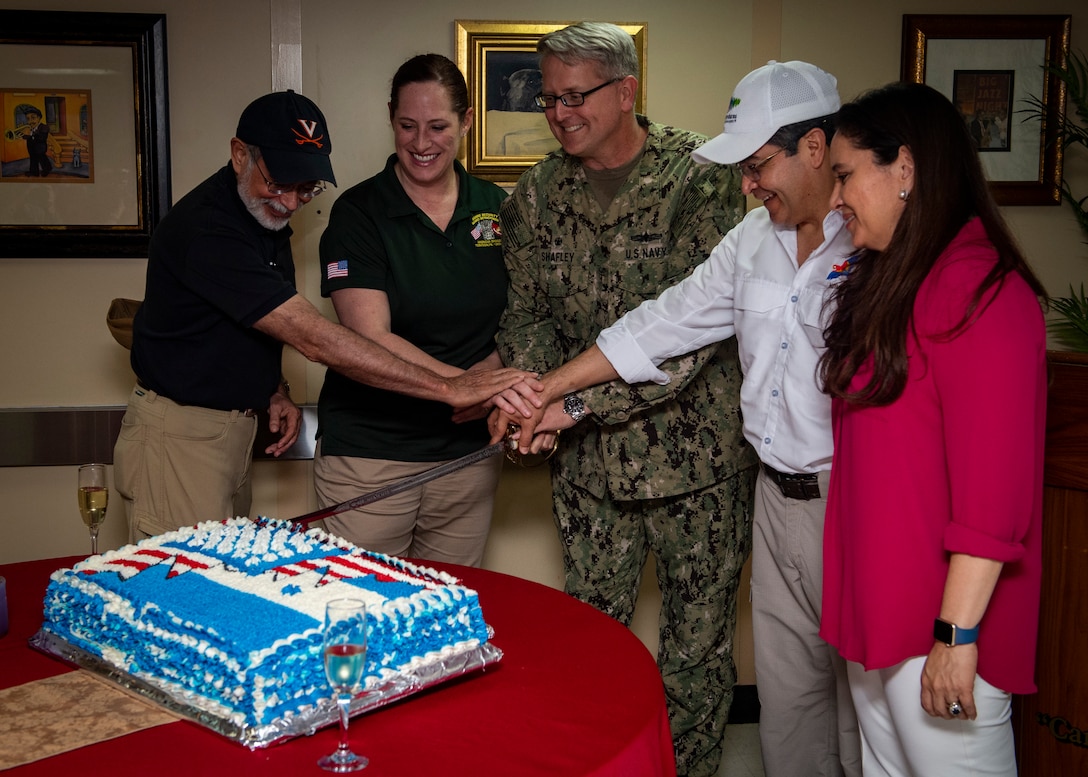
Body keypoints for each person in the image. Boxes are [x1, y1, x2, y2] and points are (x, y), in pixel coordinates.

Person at [493, 60, 862, 777]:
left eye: (758, 167)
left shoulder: (876, 244)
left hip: (842, 497)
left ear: (814, 148)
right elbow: (663, 324)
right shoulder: (755, 239)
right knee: (790, 707)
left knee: (865, 705)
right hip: (772, 497)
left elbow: (694, 358)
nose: (749, 185)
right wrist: (547, 393)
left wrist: (564, 404)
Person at [493, 21, 755, 777]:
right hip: (588, 476)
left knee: (695, 657)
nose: (560, 113)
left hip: (697, 468)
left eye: (576, 96)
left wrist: (570, 405)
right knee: (587, 648)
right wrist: (534, 395)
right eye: (548, 99)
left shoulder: (703, 177)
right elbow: (527, 312)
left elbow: (693, 338)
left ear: (627, 91)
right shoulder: (537, 193)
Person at [114, 90, 534, 542]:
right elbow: (312, 337)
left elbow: (238, 323)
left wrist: (272, 389)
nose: (293, 202)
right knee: (184, 593)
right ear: (240, 155)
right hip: (180, 437)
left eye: (307, 188)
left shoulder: (259, 215)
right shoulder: (210, 230)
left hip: (228, 434)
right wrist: (449, 386)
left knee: (221, 586)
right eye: (280, 183)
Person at [820, 82, 1046, 776]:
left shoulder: (981, 288)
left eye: (845, 175)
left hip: (938, 625)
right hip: (880, 614)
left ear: (907, 170)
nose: (835, 198)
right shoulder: (895, 280)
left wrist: (956, 636)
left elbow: (993, 493)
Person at [313, 54, 509, 567]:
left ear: (467, 122)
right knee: (362, 617)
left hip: (467, 457)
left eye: (439, 126)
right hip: (370, 455)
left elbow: (520, 320)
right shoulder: (358, 213)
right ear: (391, 119)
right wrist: (463, 387)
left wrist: (485, 382)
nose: (422, 144)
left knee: (447, 618)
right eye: (407, 125)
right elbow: (368, 336)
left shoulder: (497, 208)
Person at [20, 107, 52, 177]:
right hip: (32, 147)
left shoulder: (44, 127)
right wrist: (22, 135)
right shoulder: (30, 128)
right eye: (28, 119)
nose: (30, 121)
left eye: (33, 118)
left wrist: (31, 133)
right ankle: (34, 172)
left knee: (42, 159)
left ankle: (47, 169)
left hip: (40, 148)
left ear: (39, 118)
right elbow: (29, 137)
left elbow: (41, 137)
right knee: (33, 159)